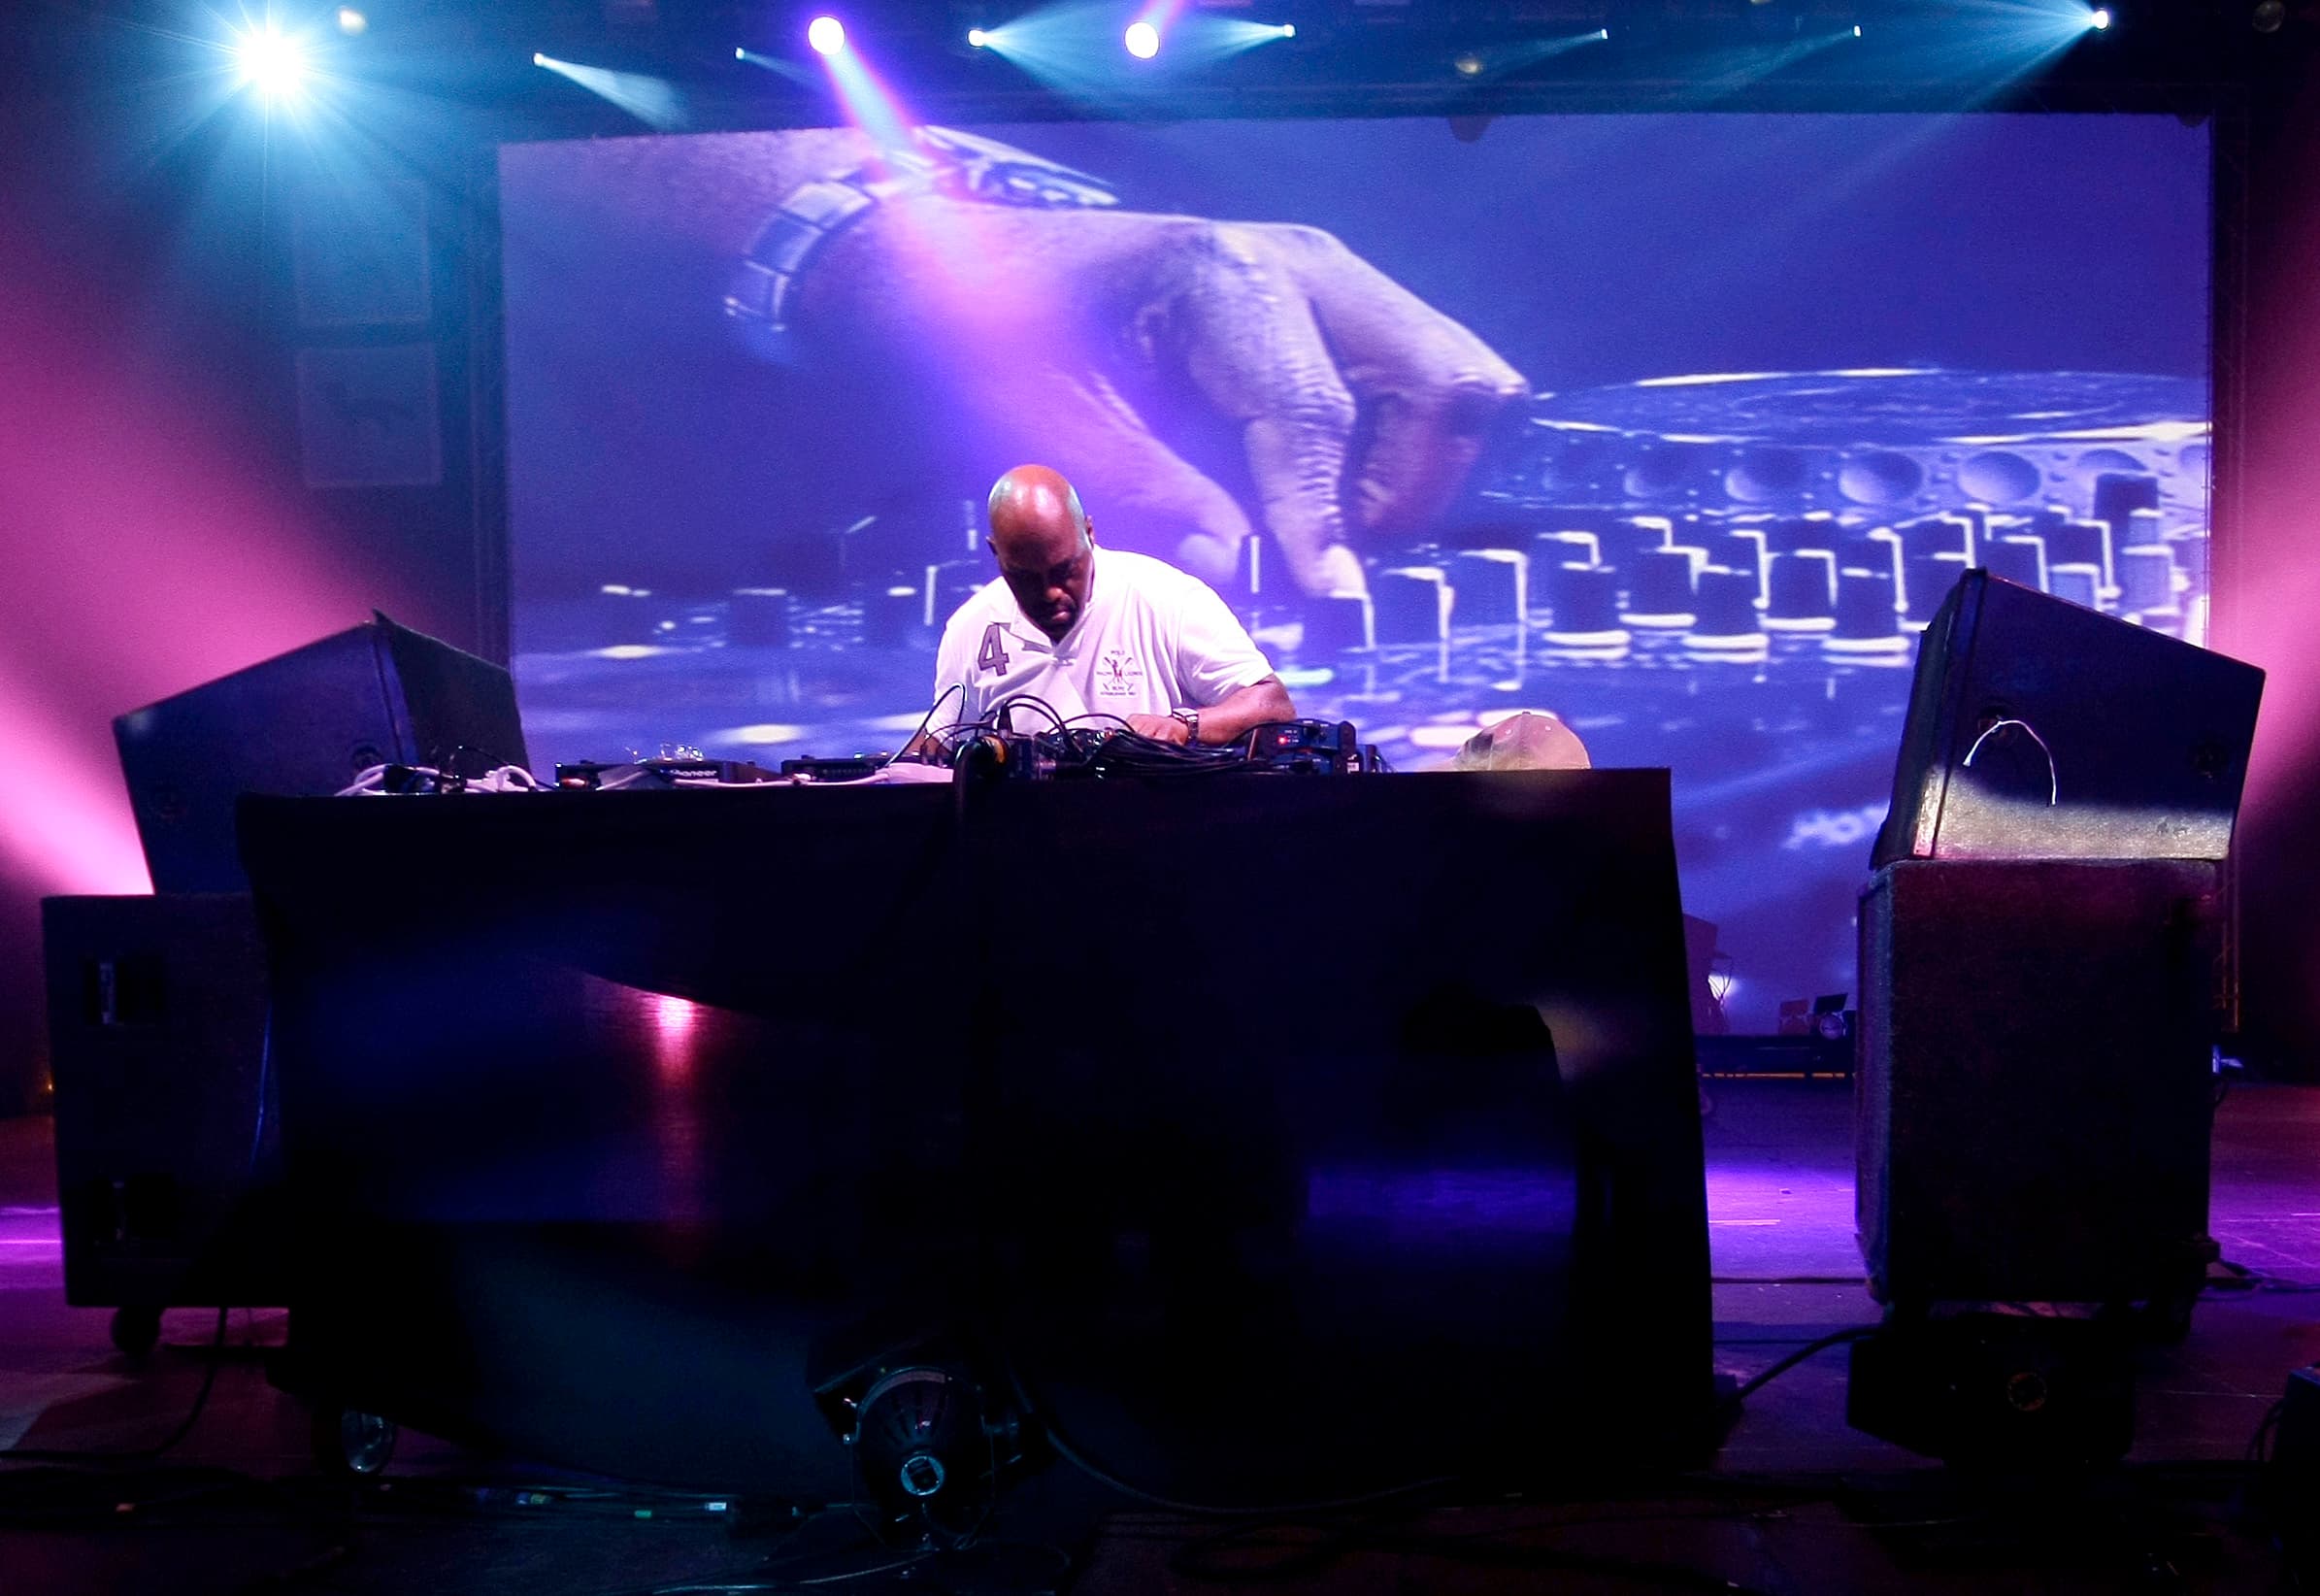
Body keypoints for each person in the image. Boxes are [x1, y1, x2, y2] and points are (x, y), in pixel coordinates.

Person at [920, 465, 1294, 752]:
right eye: (1025, 577)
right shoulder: (970, 628)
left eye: (1065, 570)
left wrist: (1186, 725)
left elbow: (1272, 704)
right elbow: (941, 745)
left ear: (1090, 534)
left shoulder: (1167, 597)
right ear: (996, 555)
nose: (1049, 592)